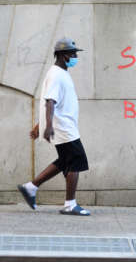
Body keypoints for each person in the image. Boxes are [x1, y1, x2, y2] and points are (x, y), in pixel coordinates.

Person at [17, 37, 90, 216]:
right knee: (76, 161)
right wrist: (47, 126)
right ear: (64, 55)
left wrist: (40, 124)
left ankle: (31, 187)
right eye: (73, 54)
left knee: (64, 161)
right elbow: (50, 102)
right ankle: (70, 204)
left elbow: (52, 102)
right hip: (64, 128)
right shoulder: (57, 74)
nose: (75, 57)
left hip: (64, 126)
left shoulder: (60, 73)